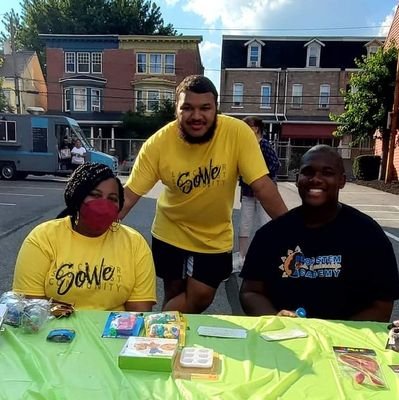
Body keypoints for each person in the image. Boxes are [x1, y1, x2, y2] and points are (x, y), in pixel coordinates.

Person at [120, 74, 288, 314]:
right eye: (187, 108)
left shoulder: (237, 133)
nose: (196, 116)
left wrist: (291, 229)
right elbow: (129, 195)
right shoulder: (157, 144)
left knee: (201, 296)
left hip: (214, 236)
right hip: (170, 231)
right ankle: (171, 342)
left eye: (205, 108)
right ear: (176, 109)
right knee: (174, 293)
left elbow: (262, 185)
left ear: (216, 109)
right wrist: (97, 228)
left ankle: (157, 329)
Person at [239, 144, 399, 322]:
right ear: (298, 179)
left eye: (327, 172)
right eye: (308, 172)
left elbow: (382, 306)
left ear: (342, 181)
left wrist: (330, 335)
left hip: (344, 344)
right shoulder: (271, 234)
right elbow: (250, 292)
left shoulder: (368, 235)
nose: (316, 179)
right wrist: (277, 320)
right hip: (285, 340)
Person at [12, 162, 156, 311]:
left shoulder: (135, 244)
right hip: (53, 331)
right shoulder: (42, 238)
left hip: (113, 332)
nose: (103, 204)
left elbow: (139, 312)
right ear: (77, 198)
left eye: (112, 199)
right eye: (95, 195)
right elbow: (30, 307)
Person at [233, 116, 281, 273]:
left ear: (256, 128)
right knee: (244, 224)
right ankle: (241, 257)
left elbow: (276, 164)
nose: (245, 129)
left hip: (263, 192)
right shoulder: (245, 145)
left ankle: (268, 256)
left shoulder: (264, 145)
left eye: (248, 126)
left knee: (265, 224)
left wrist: (262, 178)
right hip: (247, 191)